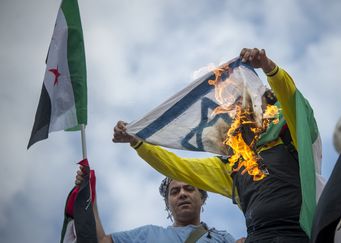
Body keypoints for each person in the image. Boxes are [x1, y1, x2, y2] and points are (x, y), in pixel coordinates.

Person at [113, 48, 322, 243]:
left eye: (247, 104)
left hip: (301, 235)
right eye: (235, 109)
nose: (239, 113)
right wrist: (139, 143)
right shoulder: (234, 163)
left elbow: (291, 99)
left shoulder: (295, 136)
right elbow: (177, 167)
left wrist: (269, 68)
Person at [74, 167, 236, 243]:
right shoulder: (148, 235)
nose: (182, 194)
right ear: (168, 204)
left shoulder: (222, 238)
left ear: (202, 197)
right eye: (175, 191)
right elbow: (101, 241)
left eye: (189, 189)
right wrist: (89, 196)